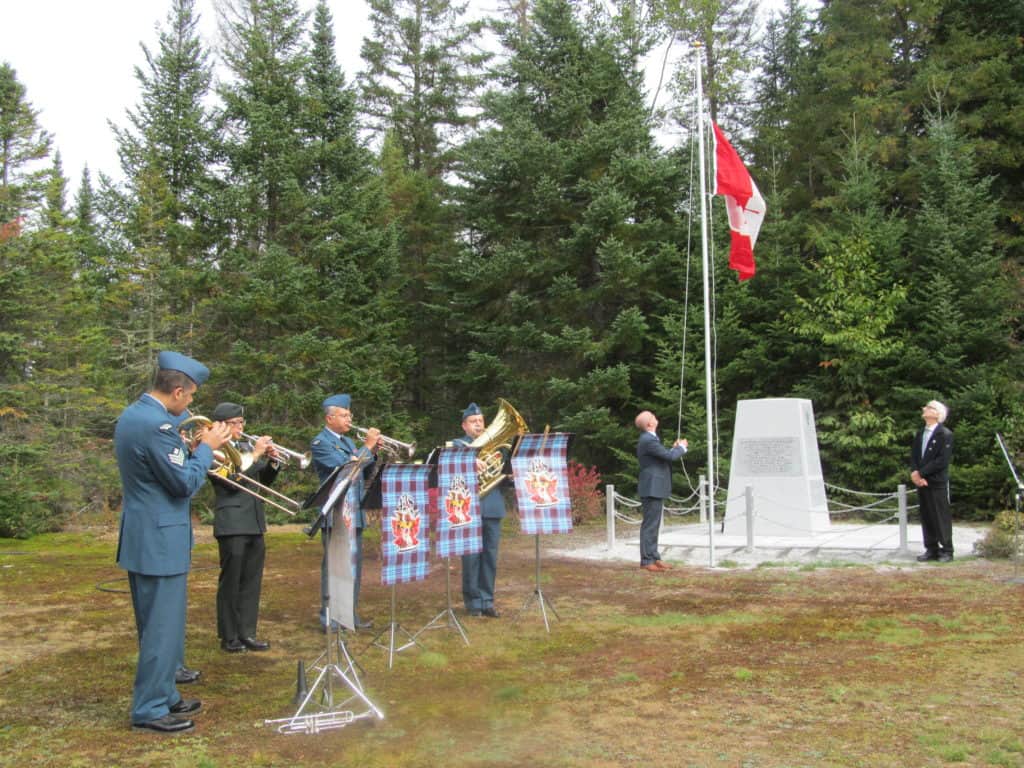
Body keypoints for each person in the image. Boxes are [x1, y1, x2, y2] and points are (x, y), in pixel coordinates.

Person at [114, 351, 231, 734]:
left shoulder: (139, 414)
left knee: (160, 626)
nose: (192, 403)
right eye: (191, 396)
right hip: (159, 540)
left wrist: (192, 439)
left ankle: (164, 694)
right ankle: (148, 709)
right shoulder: (157, 428)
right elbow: (183, 484)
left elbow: (165, 451)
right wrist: (206, 448)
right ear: (177, 391)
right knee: (161, 629)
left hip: (146, 535)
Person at [209, 402, 280, 653]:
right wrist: (257, 455)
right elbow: (232, 481)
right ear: (221, 425)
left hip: (254, 521)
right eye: (235, 423)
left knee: (252, 581)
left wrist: (272, 462)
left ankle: (247, 632)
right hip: (232, 523)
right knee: (231, 582)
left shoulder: (247, 449)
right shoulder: (214, 450)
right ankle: (229, 636)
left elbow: (263, 482)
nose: (241, 427)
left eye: (242, 422)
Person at [310, 394, 379, 631]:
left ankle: (349, 614)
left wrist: (373, 453)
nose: (350, 419)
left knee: (353, 566)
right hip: (337, 511)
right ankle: (329, 618)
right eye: (344, 415)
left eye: (350, 414)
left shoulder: (350, 443)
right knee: (334, 566)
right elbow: (346, 468)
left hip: (354, 509)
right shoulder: (321, 443)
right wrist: (367, 447)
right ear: (330, 418)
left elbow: (364, 472)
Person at [454, 403, 505, 618]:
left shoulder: (496, 446)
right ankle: (473, 602)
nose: (479, 425)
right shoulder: (457, 446)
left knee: (490, 556)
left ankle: (487, 600)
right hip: (468, 507)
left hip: (492, 505)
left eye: (481, 421)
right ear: (464, 426)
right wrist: (470, 461)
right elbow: (449, 466)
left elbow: (504, 470)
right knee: (471, 557)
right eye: (474, 422)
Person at [635, 411, 688, 572]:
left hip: (654, 487)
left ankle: (654, 557)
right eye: (653, 417)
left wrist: (674, 449)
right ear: (650, 424)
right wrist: (681, 448)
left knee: (654, 524)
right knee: (650, 525)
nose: (656, 418)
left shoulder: (651, 439)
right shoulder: (648, 440)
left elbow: (662, 456)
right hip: (651, 487)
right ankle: (647, 560)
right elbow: (668, 457)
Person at [910, 400, 955, 562]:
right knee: (927, 515)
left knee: (940, 515)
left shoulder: (945, 434)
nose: (924, 409)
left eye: (929, 407)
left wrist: (921, 473)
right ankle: (931, 548)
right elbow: (915, 455)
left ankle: (947, 550)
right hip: (921, 480)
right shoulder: (920, 433)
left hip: (936, 481)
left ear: (937, 413)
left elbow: (941, 461)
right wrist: (915, 473)